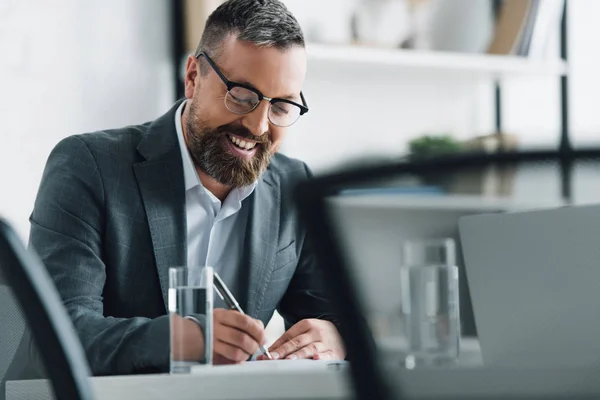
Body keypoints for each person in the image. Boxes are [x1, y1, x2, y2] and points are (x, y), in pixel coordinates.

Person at [28, 0, 345, 375]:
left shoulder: (294, 184)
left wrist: (336, 334)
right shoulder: (89, 165)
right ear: (193, 77)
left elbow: (331, 313)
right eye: (242, 96)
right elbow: (52, 331)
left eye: (281, 107)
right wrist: (181, 341)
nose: (259, 126)